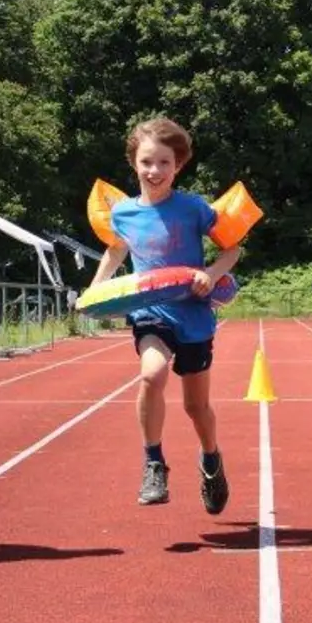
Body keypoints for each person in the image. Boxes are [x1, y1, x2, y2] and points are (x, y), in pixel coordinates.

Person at [89, 117, 242, 512]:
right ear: (133, 164)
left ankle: (211, 459)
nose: (154, 171)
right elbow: (116, 250)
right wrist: (96, 288)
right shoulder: (122, 212)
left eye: (163, 163)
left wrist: (210, 275)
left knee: (196, 408)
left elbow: (233, 250)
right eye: (147, 162)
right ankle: (153, 462)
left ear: (178, 166)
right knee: (151, 373)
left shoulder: (193, 208)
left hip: (193, 314)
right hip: (151, 311)